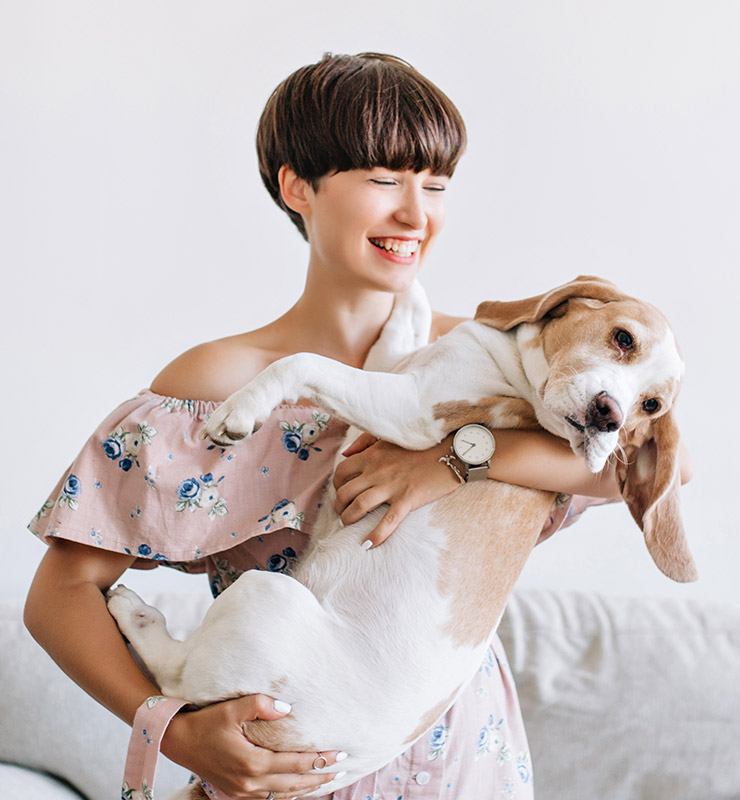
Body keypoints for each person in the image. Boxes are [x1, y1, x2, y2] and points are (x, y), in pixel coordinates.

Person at [25, 52, 691, 800]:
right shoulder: (215, 386)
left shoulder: (497, 360)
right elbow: (60, 594)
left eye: (435, 185)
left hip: (465, 762)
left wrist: (457, 459)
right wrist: (172, 730)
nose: (416, 214)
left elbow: (655, 465)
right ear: (297, 187)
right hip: (289, 752)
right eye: (384, 180)